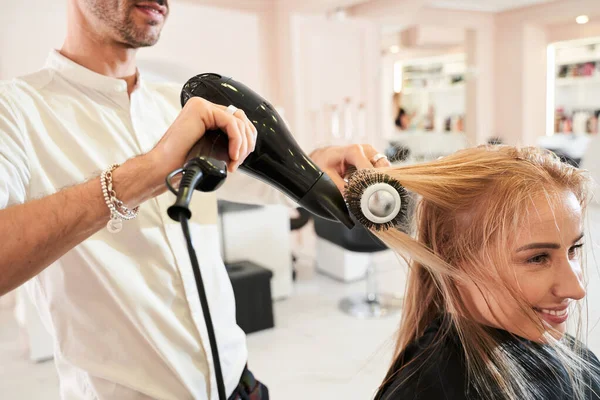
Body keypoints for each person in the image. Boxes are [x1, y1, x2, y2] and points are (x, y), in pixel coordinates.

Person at [0, 1, 391, 399]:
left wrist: (312, 164)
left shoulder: (181, 105)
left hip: (240, 385)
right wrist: (143, 175)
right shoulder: (13, 113)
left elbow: (260, 178)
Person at [366, 145, 600, 399]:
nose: (576, 290)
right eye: (538, 258)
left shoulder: (577, 360)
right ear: (452, 255)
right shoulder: (424, 389)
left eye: (574, 249)